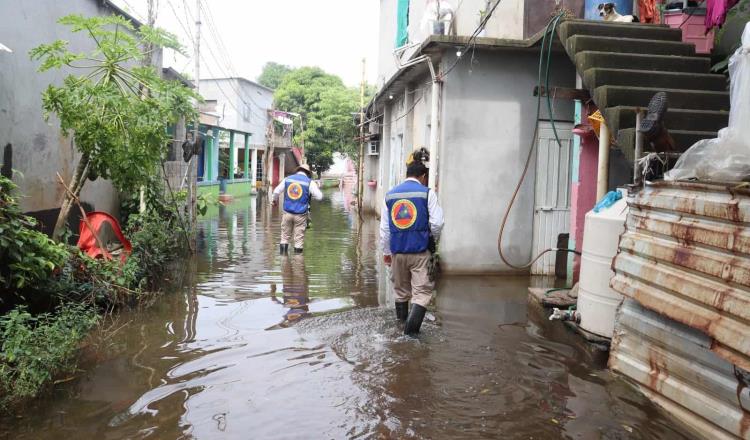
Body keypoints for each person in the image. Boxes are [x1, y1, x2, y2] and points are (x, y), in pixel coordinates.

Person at [380, 160, 444, 336]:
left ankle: (400, 329)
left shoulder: (390, 195)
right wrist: (432, 241)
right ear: (423, 176)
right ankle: (409, 336)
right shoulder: (427, 194)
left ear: (406, 174)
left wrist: (386, 253)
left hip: (397, 252)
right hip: (420, 251)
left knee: (400, 292)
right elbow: (437, 223)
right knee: (422, 293)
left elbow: (384, 229)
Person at [272, 163, 323, 254]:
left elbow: (276, 191)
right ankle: (298, 264)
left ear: (298, 170)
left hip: (287, 213)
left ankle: (284, 262)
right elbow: (319, 197)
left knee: (284, 237)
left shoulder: (287, 179)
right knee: (298, 240)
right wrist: (315, 188)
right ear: (307, 173)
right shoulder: (309, 182)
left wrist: (274, 201)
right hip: (301, 215)